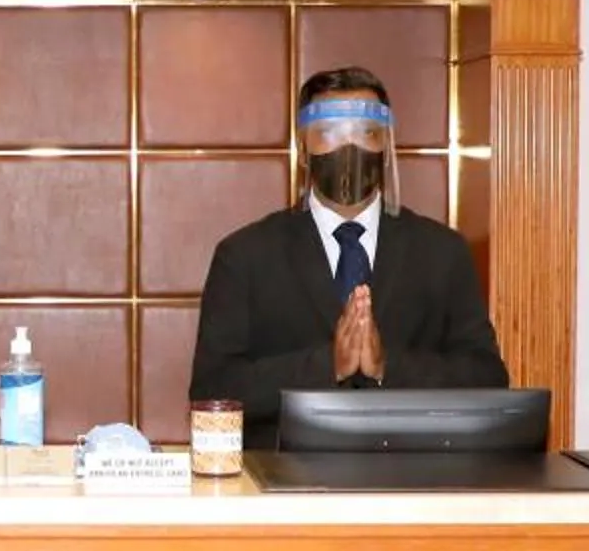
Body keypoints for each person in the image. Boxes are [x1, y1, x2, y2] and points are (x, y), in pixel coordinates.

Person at [188, 65, 508, 447]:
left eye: (366, 133)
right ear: (303, 149)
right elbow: (213, 388)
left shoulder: (442, 252)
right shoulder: (245, 256)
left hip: (413, 475)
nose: (349, 149)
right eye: (329, 133)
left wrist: (387, 365)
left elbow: (487, 378)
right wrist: (328, 365)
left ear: (386, 146)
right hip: (283, 477)